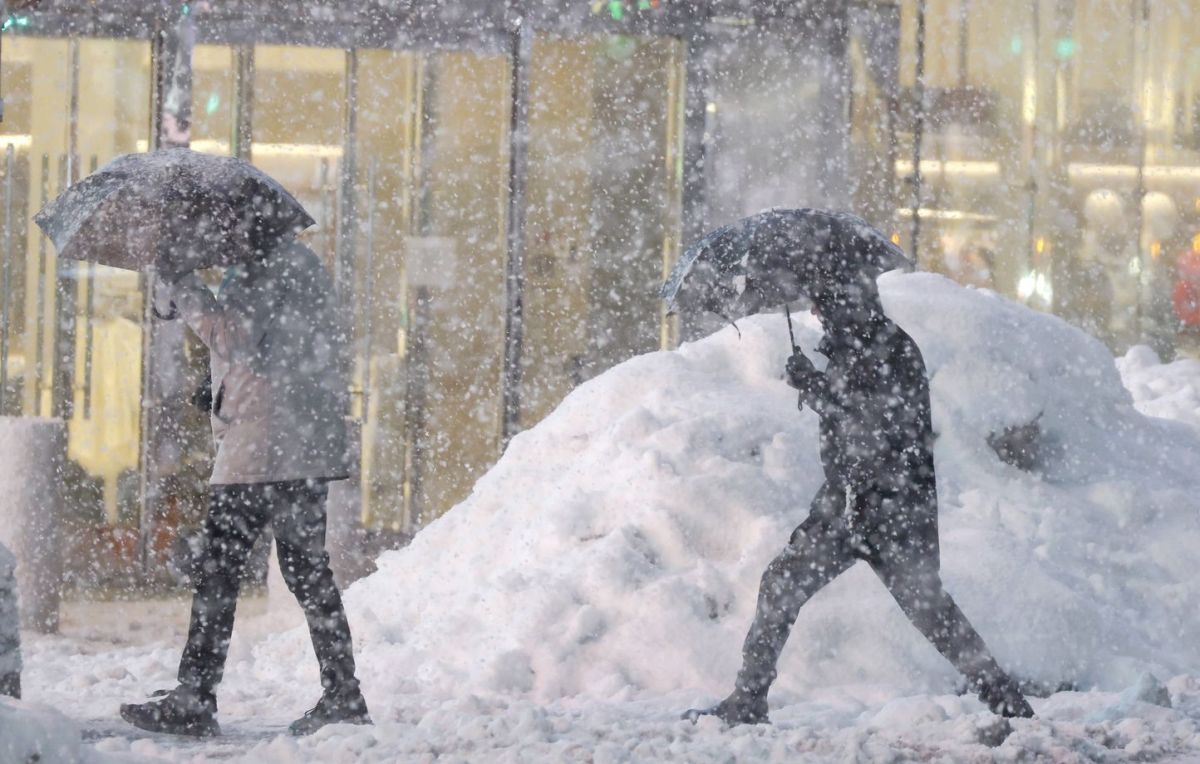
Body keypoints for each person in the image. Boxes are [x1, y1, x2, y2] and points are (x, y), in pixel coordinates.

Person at [693, 268, 1034, 726]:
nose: (813, 311)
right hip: (852, 501)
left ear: (841, 300)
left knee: (931, 612)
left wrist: (813, 386)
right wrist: (816, 383)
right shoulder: (858, 341)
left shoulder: (885, 347)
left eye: (820, 300)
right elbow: (852, 412)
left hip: (888, 506)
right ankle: (748, 698)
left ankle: (1008, 704)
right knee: (782, 584)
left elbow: (872, 423)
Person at [120, 226, 370, 738]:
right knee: (305, 569)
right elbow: (279, 346)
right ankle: (343, 692)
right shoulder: (296, 263)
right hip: (297, 438)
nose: (220, 238)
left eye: (226, 229)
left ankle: (195, 696)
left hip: (266, 445)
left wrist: (186, 286)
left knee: (220, 570)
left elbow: (233, 335)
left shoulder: (264, 266)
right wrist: (218, 385)